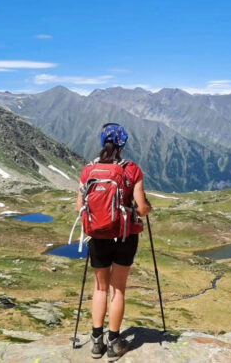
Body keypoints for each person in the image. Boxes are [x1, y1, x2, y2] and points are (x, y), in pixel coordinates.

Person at [76, 123, 151, 361]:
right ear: (123, 144)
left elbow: (80, 207)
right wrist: (147, 208)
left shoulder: (88, 171)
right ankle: (114, 343)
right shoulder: (132, 170)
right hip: (124, 236)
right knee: (117, 289)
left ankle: (96, 342)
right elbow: (141, 208)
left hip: (97, 236)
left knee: (100, 288)